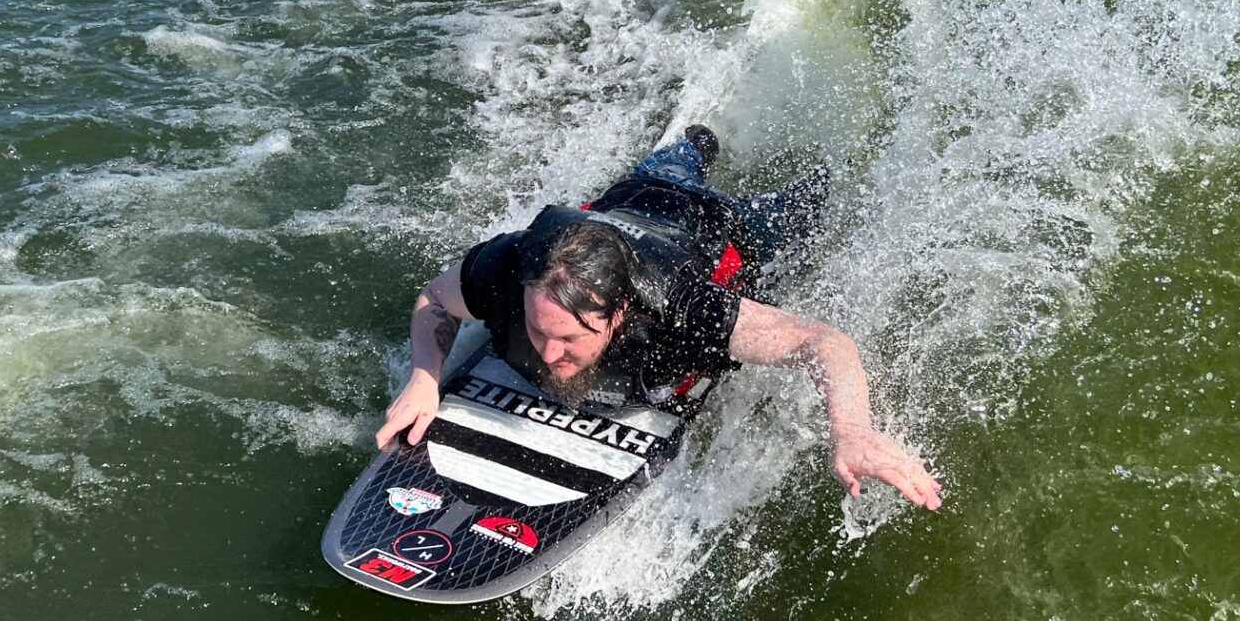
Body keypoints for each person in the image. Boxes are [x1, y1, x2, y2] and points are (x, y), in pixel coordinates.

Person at [374, 127, 942, 510]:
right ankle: (695, 143)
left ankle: (824, 171)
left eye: (569, 340)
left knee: (810, 200)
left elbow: (824, 342)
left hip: (716, 225)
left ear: (618, 315)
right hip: (632, 196)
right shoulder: (508, 266)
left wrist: (853, 432)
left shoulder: (684, 311)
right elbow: (433, 300)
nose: (548, 354)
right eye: (538, 331)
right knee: (678, 155)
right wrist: (423, 378)